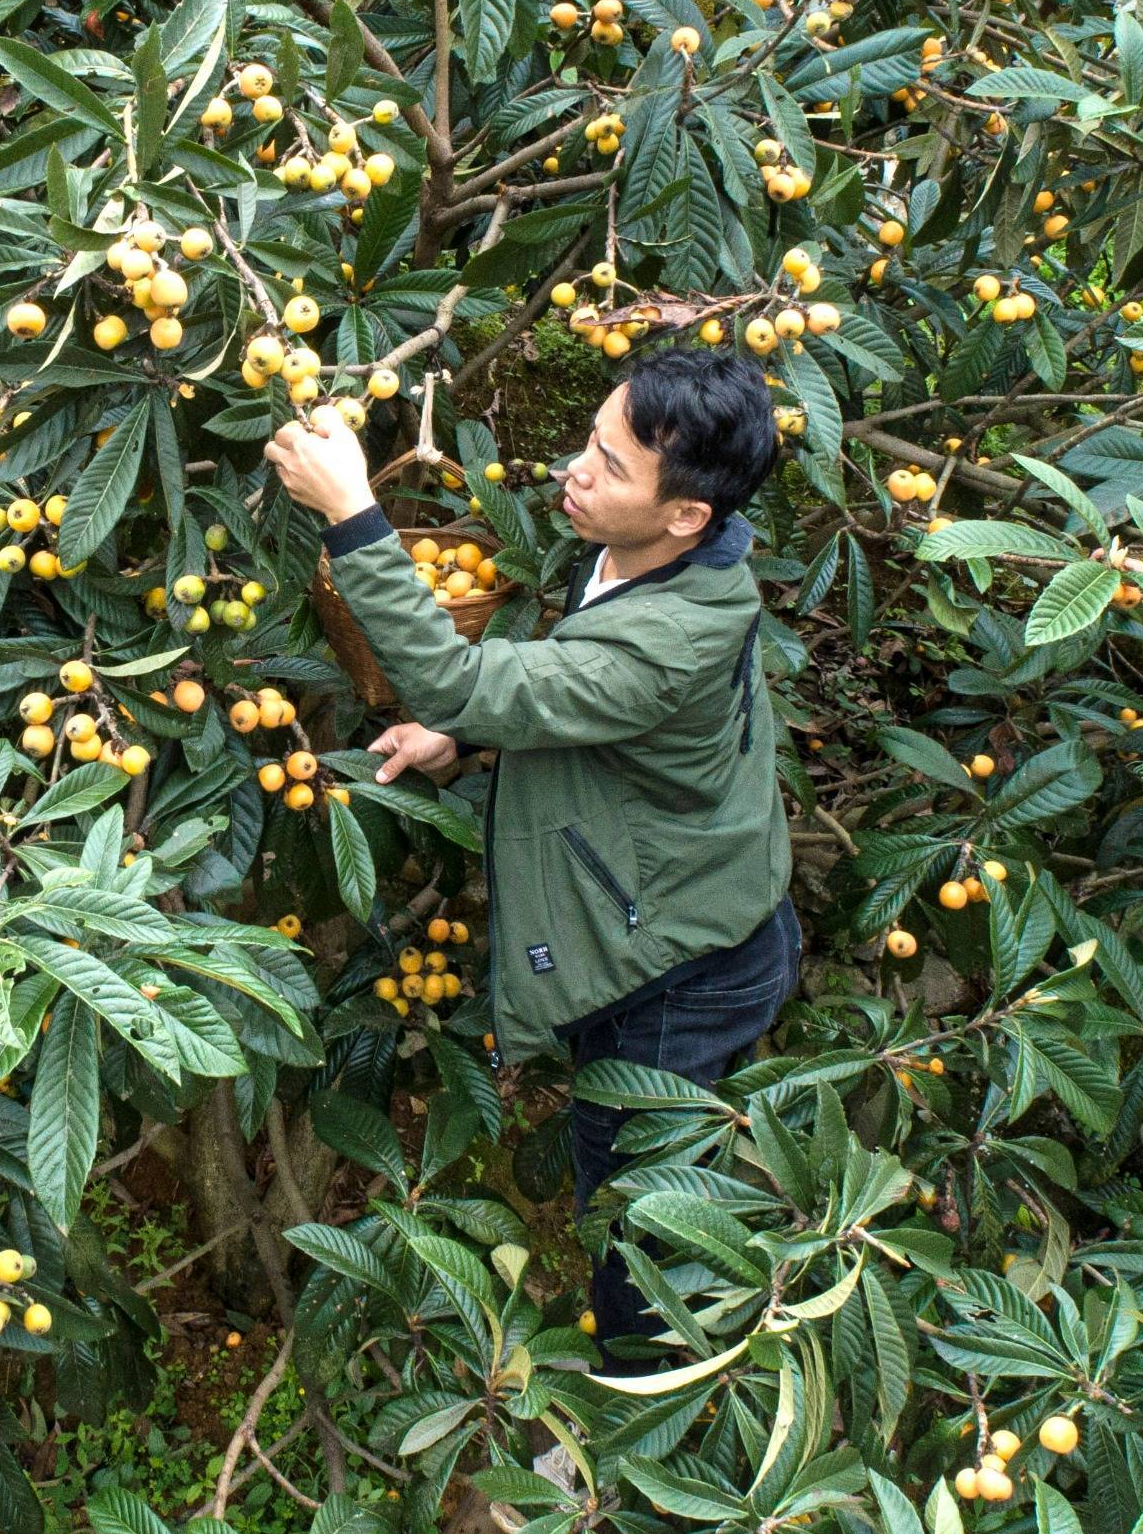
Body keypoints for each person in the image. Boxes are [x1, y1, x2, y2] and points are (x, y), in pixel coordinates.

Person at [264, 344, 800, 1365]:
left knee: (636, 1217)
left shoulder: (674, 634)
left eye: (608, 466)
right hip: (681, 900)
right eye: (588, 443)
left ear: (690, 512)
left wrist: (352, 510)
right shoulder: (642, 550)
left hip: (681, 970)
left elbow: (473, 678)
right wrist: (465, 739)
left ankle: (647, 1418)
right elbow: (561, 687)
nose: (576, 473)